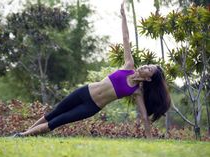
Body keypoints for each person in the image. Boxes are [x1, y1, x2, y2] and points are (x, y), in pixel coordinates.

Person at [13, 1, 170, 138]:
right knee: (53, 114)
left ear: (149, 78)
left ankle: (22, 135)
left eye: (149, 69)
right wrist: (123, 17)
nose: (145, 66)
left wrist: (149, 137)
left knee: (58, 121)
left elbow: (143, 116)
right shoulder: (129, 65)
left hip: (91, 107)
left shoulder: (136, 91)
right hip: (84, 92)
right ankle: (24, 133)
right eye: (148, 65)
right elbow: (125, 38)